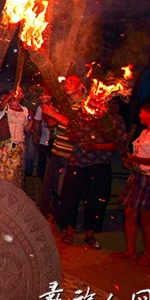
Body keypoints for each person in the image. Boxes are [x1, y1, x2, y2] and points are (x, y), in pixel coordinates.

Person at [113, 101, 150, 267]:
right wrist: (131, 163)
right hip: (139, 177)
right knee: (129, 213)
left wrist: (135, 160)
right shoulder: (146, 132)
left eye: (142, 112)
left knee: (147, 218)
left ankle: (148, 254)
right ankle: (130, 250)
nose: (139, 115)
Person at [58, 101, 126, 249]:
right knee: (70, 198)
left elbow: (118, 144)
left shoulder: (115, 120)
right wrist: (77, 136)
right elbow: (70, 136)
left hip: (100, 164)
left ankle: (90, 234)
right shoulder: (79, 115)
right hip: (77, 162)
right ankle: (69, 231)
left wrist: (96, 146)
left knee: (97, 200)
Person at [38, 75, 86, 226]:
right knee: (48, 187)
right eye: (66, 82)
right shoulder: (64, 104)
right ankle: (46, 218)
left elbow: (76, 126)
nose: (67, 85)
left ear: (80, 86)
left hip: (71, 155)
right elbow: (52, 123)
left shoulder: (85, 105)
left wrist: (54, 114)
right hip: (57, 150)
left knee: (64, 190)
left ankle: (63, 223)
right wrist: (47, 109)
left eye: (72, 82)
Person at [0, 86, 32, 188]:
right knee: (0, 171)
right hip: (5, 143)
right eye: (16, 91)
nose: (18, 93)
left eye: (20, 91)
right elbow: (1, 107)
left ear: (22, 95)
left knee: (14, 173)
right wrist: (9, 96)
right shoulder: (5, 106)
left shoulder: (25, 110)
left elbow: (26, 129)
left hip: (18, 144)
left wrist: (31, 120)